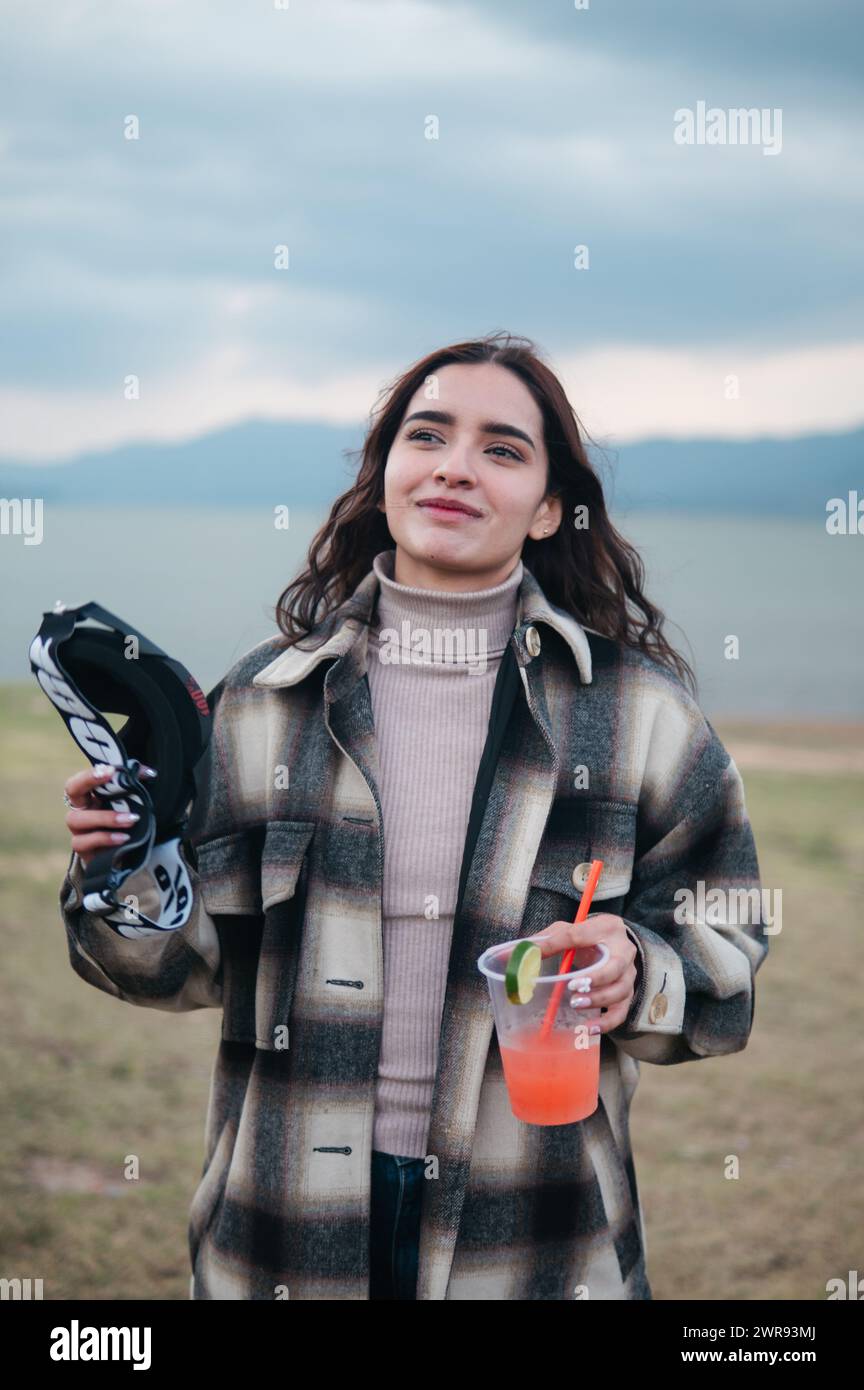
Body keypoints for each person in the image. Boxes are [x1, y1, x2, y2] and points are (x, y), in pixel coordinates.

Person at [59, 331, 769, 1300]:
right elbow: (172, 965)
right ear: (386, 470)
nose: (453, 467)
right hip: (283, 1229)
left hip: (531, 1239)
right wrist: (122, 866)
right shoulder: (265, 702)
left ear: (552, 506)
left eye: (502, 449)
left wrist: (635, 966)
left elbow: (729, 924)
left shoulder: (638, 715)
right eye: (425, 434)